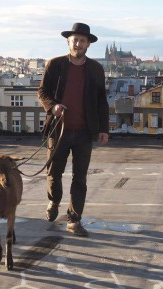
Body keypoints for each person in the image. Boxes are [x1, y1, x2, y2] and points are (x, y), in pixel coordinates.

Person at [38, 22, 109, 236]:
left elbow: (101, 101)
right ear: (68, 42)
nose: (78, 43)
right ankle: (54, 201)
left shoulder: (95, 69)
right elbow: (42, 92)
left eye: (82, 40)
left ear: (88, 44)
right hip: (58, 131)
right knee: (54, 173)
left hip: (84, 133)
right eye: (74, 40)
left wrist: (103, 128)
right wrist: (53, 106)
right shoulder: (55, 65)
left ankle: (74, 219)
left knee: (80, 178)